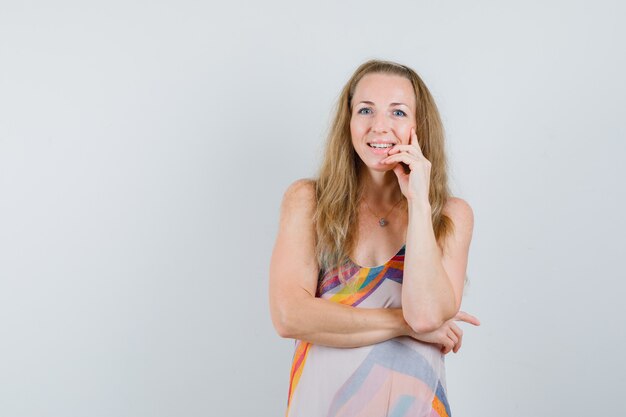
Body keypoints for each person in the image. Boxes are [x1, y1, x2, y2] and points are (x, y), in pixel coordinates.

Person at [269, 59, 480, 417]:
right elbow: (289, 316)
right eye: (365, 110)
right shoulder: (308, 201)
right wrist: (403, 324)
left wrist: (417, 199)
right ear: (348, 122)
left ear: (419, 125)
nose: (379, 126)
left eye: (398, 112)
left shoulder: (448, 216)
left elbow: (427, 315)